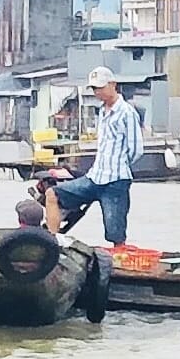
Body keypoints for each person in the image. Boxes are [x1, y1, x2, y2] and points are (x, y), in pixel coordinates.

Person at [54, 69, 145, 245]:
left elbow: (136, 149)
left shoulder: (127, 112)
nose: (97, 92)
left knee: (115, 233)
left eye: (101, 88)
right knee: (53, 195)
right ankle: (51, 243)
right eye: (95, 89)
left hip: (116, 180)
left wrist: (119, 165)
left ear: (113, 85)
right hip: (95, 177)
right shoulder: (102, 111)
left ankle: (119, 260)